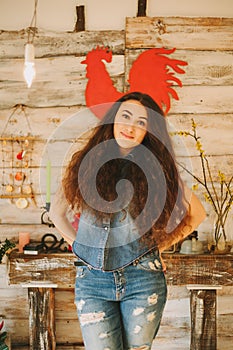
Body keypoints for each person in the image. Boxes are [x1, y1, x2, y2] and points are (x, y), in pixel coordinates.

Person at [49, 91, 206, 350]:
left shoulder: (158, 170)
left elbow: (196, 213)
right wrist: (83, 247)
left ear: (149, 132)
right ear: (113, 118)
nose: (131, 127)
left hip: (142, 280)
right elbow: (57, 213)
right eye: (126, 116)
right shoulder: (85, 163)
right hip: (92, 283)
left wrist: (161, 246)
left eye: (142, 123)